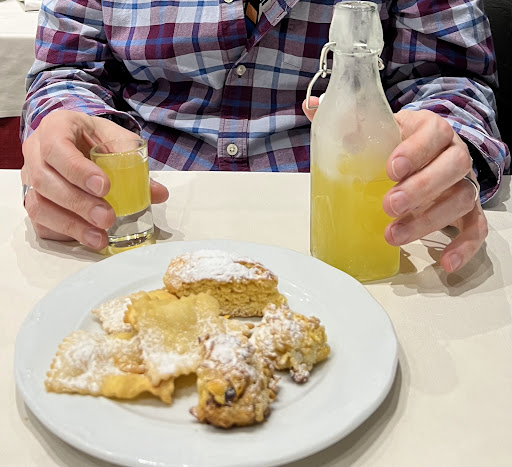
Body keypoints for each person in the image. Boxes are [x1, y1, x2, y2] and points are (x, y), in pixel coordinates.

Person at [20, 0, 510, 274]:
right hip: (138, 220)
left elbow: (452, 75)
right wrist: (64, 125)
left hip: (352, 221)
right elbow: (65, 71)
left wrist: (443, 147)